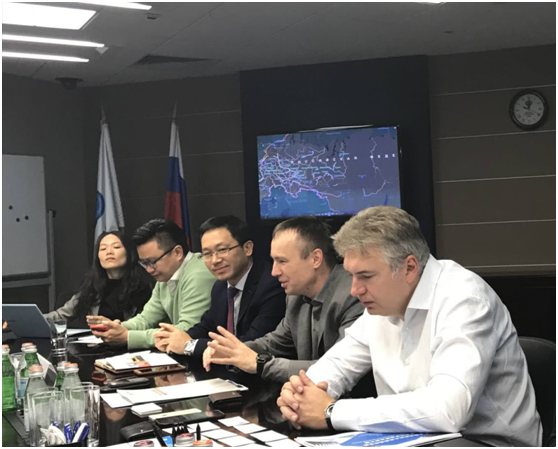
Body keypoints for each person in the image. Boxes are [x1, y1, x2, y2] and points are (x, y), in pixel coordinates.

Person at [277, 206, 541, 447]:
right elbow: (337, 363)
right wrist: (301, 393)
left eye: (366, 276)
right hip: (415, 438)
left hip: (485, 442)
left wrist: (331, 412)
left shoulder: (464, 299)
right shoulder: (382, 304)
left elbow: (447, 410)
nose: (355, 290)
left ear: (410, 267)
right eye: (352, 276)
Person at [203, 216, 364, 383]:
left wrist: (261, 364)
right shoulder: (295, 297)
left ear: (315, 259)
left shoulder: (355, 296)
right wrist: (232, 351)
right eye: (274, 261)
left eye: (282, 261)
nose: (274, 272)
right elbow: (275, 342)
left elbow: (336, 369)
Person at [153, 216, 286, 360]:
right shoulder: (220, 286)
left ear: (247, 248)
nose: (215, 260)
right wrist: (174, 339)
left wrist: (189, 345)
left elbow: (250, 344)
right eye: (207, 254)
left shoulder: (272, 284)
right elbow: (206, 327)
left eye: (222, 250)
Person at [89, 219, 216, 349]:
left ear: (177, 252)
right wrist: (117, 327)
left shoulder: (199, 274)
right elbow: (146, 319)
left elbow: (187, 330)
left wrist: (128, 337)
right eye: (144, 263)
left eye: (152, 262)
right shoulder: (166, 275)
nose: (149, 269)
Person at [44, 231, 152, 326]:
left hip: (129, 340)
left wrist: (114, 326)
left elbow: (147, 322)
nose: (109, 252)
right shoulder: (91, 285)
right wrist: (37, 320)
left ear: (129, 253)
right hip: (96, 341)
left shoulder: (144, 285)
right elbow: (61, 315)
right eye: (103, 249)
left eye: (116, 247)